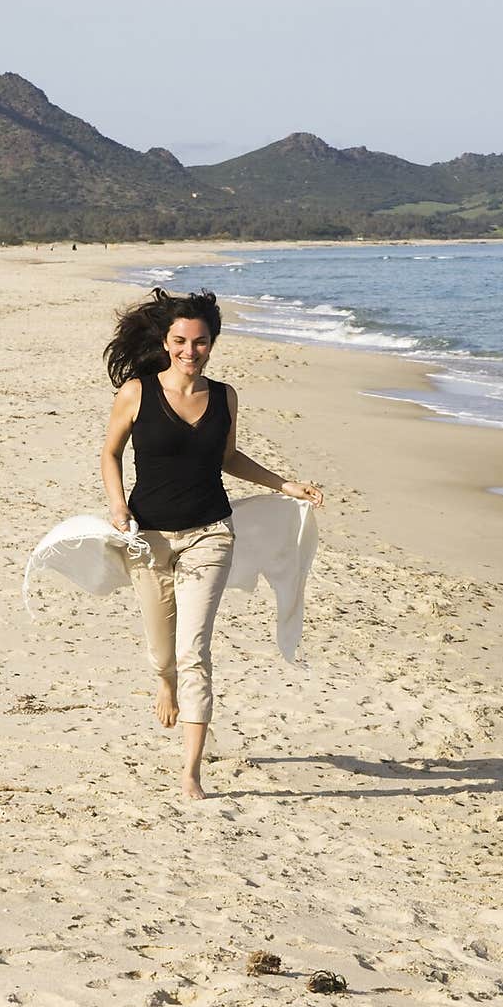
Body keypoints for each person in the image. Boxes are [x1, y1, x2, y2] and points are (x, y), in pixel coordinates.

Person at [100, 286, 324, 800]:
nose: (190, 351)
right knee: (164, 654)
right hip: (149, 537)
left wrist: (283, 485)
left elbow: (228, 458)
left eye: (200, 342)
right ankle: (165, 681)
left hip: (210, 533)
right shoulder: (136, 392)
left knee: (194, 650)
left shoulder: (224, 397)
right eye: (180, 340)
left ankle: (190, 770)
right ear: (166, 340)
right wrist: (118, 506)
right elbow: (110, 453)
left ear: (212, 343)